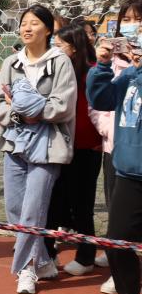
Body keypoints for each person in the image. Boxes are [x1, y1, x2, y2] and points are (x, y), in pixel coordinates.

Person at [0, 5, 77, 294]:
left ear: (48, 29)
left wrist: (31, 108)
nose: (27, 28)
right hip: (14, 142)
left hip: (48, 144)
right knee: (15, 208)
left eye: (34, 23)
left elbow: (63, 106)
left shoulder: (60, 62)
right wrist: (18, 113)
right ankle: (43, 261)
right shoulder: (11, 62)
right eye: (23, 23)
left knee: (33, 208)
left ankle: (26, 269)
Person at [88, 0, 142, 294]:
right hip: (129, 172)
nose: (133, 26)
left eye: (139, 19)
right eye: (128, 21)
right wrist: (103, 65)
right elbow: (102, 98)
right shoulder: (129, 71)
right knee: (116, 241)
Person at [44, 24, 102, 276]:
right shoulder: (56, 71)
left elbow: (98, 111)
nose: (55, 50)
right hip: (59, 146)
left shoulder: (91, 73)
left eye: (59, 46)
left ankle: (86, 256)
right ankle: (47, 253)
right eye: (53, 45)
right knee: (53, 202)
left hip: (86, 148)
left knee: (81, 205)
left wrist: (97, 139)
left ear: (75, 48)